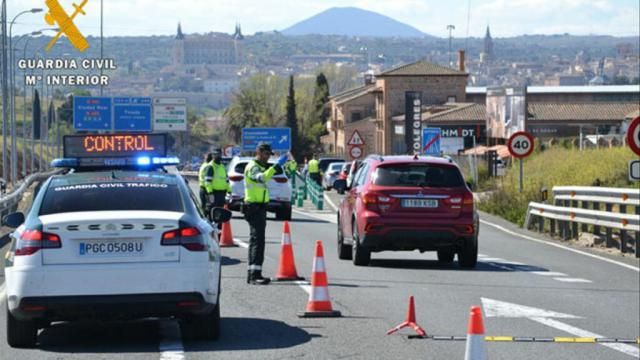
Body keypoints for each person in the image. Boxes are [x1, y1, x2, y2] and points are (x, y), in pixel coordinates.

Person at [243, 142, 288, 285]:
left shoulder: (261, 166)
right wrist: (275, 167)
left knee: (259, 240)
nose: (268, 157)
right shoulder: (253, 167)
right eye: (266, 154)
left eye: (270, 155)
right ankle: (253, 275)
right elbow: (261, 178)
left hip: (260, 206)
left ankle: (256, 273)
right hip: (254, 207)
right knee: (257, 241)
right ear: (259, 152)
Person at [205, 148, 230, 227]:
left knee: (220, 214)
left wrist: (229, 192)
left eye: (219, 154)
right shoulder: (211, 167)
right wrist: (210, 193)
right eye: (216, 155)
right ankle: (211, 229)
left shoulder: (222, 166)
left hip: (222, 193)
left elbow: (226, 180)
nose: (218, 156)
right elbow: (207, 182)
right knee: (212, 212)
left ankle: (219, 230)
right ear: (213, 156)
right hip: (214, 193)